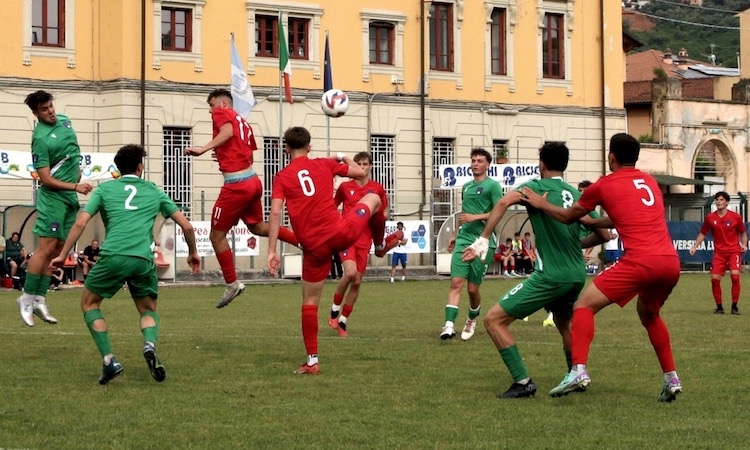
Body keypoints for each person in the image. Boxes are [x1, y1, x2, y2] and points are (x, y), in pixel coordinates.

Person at [520, 133, 683, 402]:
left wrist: (541, 203)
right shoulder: (650, 182)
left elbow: (566, 216)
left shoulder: (603, 185)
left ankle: (578, 370)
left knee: (583, 306)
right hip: (669, 262)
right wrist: (595, 223)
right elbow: (623, 217)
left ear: (612, 156)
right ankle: (671, 377)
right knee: (649, 314)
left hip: (640, 261)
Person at [461, 142, 610, 398]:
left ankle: (523, 382)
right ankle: (576, 374)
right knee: (565, 324)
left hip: (550, 276)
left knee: (494, 320)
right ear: (565, 166)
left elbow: (503, 203)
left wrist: (483, 238)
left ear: (541, 164)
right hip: (576, 275)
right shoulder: (573, 194)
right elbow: (604, 233)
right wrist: (577, 244)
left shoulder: (535, 188)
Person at [50, 144, 201, 385]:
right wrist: (193, 253)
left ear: (117, 168)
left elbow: (80, 223)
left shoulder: (105, 189)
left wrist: (62, 254)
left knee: (89, 303)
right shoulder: (154, 191)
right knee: (148, 310)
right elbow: (188, 227)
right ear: (140, 166)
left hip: (113, 256)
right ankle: (149, 344)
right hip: (142, 259)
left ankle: (110, 360)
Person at [267, 127, 403, 374]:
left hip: (314, 248)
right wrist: (340, 155)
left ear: (286, 148)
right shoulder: (323, 164)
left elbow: (275, 213)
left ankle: (312, 361)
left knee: (309, 302)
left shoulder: (282, 177)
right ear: (309, 146)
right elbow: (359, 172)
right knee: (373, 199)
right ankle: (381, 244)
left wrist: (272, 251)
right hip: (342, 233)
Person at [185, 88, 299, 308]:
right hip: (252, 180)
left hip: (236, 186)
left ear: (223, 104)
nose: (211, 112)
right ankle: (303, 241)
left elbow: (226, 133)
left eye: (211, 106)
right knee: (256, 227)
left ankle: (232, 282)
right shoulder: (243, 121)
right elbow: (243, 146)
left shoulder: (222, 114)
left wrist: (203, 149)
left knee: (216, 236)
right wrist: (224, 155)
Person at [17, 91, 94, 327]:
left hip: (69, 197)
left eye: (50, 106)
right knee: (46, 246)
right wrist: (75, 185)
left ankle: (40, 298)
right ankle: (26, 297)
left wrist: (75, 172)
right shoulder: (39, 138)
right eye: (44, 109)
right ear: (35, 113)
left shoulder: (65, 121)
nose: (50, 111)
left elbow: (71, 154)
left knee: (60, 249)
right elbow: (46, 180)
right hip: (54, 198)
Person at [441, 147, 503, 341]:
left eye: (479, 161)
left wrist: (476, 217)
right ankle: (449, 326)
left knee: (472, 289)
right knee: (456, 282)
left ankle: (472, 317)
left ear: (488, 165)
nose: (475, 164)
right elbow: (463, 215)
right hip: (464, 239)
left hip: (483, 242)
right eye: (473, 160)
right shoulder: (466, 187)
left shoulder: (493, 186)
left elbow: (498, 212)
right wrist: (455, 235)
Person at [327, 152, 390, 337]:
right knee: (349, 273)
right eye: (359, 164)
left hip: (365, 240)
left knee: (356, 282)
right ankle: (334, 309)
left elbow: (384, 211)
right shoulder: (346, 187)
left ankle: (343, 322)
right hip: (347, 237)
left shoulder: (377, 188)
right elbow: (332, 206)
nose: (362, 167)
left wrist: (380, 219)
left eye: (365, 164)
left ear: (370, 166)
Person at [689, 191, 747, 315]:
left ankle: (734, 306)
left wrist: (744, 244)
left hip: (733, 251)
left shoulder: (735, 217)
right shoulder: (710, 217)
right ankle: (719, 307)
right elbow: (703, 233)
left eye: (721, 200)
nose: (718, 202)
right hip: (719, 253)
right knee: (715, 280)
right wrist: (695, 246)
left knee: (735, 276)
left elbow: (743, 232)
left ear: (726, 202)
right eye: (717, 200)